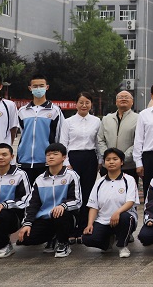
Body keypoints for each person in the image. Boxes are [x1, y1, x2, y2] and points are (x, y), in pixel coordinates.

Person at [16, 143, 82, 258]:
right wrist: (27, 223)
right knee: (25, 239)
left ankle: (63, 243)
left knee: (60, 214)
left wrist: (63, 206)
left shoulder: (71, 175)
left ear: (64, 157)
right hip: (45, 218)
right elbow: (33, 203)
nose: (51, 157)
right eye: (48, 155)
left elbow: (77, 200)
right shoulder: (40, 179)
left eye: (55, 154)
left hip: (66, 216)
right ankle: (52, 237)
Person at [81, 147, 139, 258]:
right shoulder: (99, 182)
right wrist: (90, 224)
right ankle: (107, 243)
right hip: (103, 220)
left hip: (122, 219)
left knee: (126, 217)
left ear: (121, 162)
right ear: (104, 163)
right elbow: (93, 206)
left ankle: (122, 245)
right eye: (108, 160)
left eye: (115, 159)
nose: (111, 162)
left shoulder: (129, 180)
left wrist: (117, 212)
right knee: (87, 238)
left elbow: (130, 201)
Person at [60, 91, 101, 241]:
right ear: (76, 104)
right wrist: (66, 163)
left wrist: (100, 161)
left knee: (87, 192)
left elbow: (98, 143)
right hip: (73, 159)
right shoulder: (68, 122)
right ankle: (72, 228)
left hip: (90, 158)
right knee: (73, 193)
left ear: (91, 104)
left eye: (87, 102)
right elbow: (63, 143)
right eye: (81, 102)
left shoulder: (97, 121)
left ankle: (84, 227)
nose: (84, 105)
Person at [16, 74, 66, 184]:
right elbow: (22, 133)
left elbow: (60, 136)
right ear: (30, 88)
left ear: (47, 87)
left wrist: (59, 157)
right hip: (24, 161)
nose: (38, 89)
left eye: (41, 86)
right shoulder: (22, 111)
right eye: (35, 86)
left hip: (47, 161)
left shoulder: (55, 111)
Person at [97, 91, 139, 182]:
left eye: (126, 97)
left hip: (128, 166)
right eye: (120, 97)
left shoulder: (138, 119)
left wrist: (122, 158)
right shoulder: (106, 119)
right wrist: (108, 157)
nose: (123, 99)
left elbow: (138, 142)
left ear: (132, 102)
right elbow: (100, 139)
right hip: (108, 166)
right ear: (116, 102)